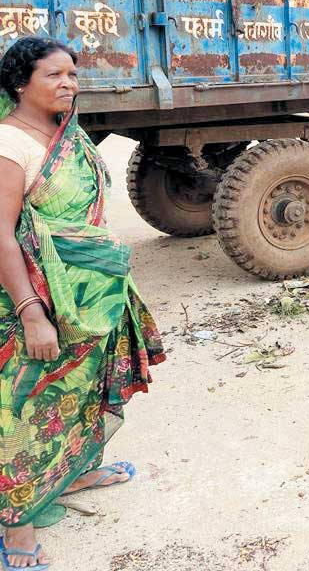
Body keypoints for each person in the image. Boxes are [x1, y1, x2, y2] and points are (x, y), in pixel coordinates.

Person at [0, 37, 164, 569]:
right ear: (21, 84)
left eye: (73, 73)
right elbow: (2, 233)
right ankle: (15, 523)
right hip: (37, 297)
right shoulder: (11, 142)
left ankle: (75, 470)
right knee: (22, 407)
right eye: (54, 75)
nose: (69, 83)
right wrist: (30, 312)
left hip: (89, 291)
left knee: (82, 385)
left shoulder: (65, 135)